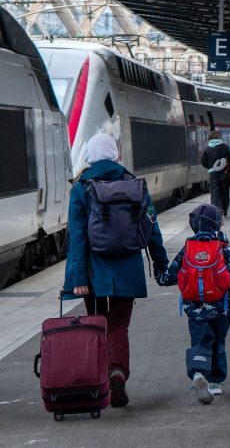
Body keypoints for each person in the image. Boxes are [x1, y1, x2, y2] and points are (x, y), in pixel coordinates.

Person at [62, 132, 169, 408]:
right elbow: (152, 226)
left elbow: (77, 237)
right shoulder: (134, 185)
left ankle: (99, 382)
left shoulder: (81, 188)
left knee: (97, 324)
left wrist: (78, 278)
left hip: (93, 271)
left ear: (89, 155)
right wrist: (161, 264)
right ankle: (118, 372)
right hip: (127, 267)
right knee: (119, 325)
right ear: (115, 154)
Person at [157, 203, 230, 404]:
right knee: (218, 342)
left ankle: (198, 373)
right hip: (222, 308)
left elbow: (169, 277)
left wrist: (159, 272)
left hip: (195, 309)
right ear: (217, 225)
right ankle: (215, 383)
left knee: (200, 342)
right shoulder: (223, 248)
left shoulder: (188, 248)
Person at [200, 130, 230, 215]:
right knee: (225, 193)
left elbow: (203, 162)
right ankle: (224, 210)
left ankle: (216, 212)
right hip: (224, 174)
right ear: (218, 137)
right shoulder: (224, 146)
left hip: (213, 175)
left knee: (215, 194)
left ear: (209, 137)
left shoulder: (207, 148)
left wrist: (211, 167)